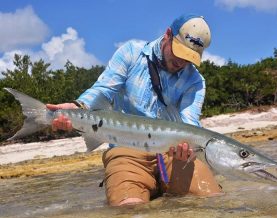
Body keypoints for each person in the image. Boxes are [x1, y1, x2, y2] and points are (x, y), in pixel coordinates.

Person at [46, 14, 222, 206]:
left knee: (211, 201)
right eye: (179, 53)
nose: (181, 62)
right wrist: (77, 107)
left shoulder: (195, 81)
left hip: (173, 153)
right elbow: (103, 90)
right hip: (127, 149)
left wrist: (187, 149)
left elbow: (190, 125)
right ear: (168, 35)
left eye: (189, 58)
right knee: (128, 210)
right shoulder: (131, 52)